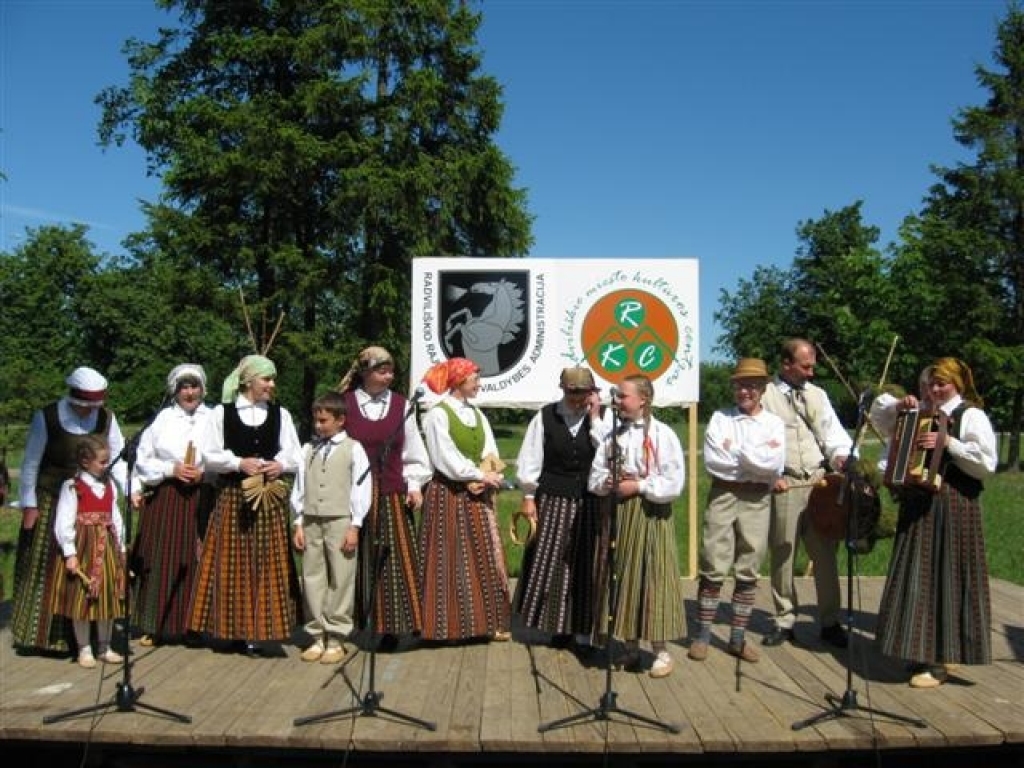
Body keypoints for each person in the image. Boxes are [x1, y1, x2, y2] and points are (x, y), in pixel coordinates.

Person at [873, 358, 997, 688]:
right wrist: (901, 404)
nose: (935, 389)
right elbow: (881, 420)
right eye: (931, 383)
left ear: (958, 383)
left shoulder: (970, 415)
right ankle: (921, 650)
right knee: (919, 577)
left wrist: (948, 443)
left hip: (954, 505)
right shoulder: (920, 413)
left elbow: (987, 463)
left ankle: (940, 661)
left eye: (942, 383)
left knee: (947, 577)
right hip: (919, 503)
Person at [189, 354, 303, 655]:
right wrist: (239, 462)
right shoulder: (221, 414)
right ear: (248, 381)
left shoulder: (281, 414)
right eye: (267, 379)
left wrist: (280, 464)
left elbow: (294, 454)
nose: (271, 384)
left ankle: (263, 628)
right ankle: (231, 629)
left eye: (271, 379)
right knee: (232, 564)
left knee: (267, 563)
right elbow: (208, 454)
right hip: (233, 496)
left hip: (268, 497)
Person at [12, 366, 127, 654]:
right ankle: (48, 639)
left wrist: (130, 489)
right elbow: (30, 463)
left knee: (91, 569)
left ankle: (90, 641)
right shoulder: (47, 417)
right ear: (73, 399)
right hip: (53, 498)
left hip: (93, 502)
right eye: (84, 406)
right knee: (47, 568)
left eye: (93, 406)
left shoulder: (106, 418)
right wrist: (29, 503)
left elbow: (119, 459)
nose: (89, 412)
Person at [588, 374, 686, 679]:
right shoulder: (610, 435)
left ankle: (660, 651)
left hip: (650, 514)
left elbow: (674, 482)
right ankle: (630, 646)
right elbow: (594, 476)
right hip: (616, 512)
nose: (616, 402)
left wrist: (639, 486)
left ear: (643, 399)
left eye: (622, 397)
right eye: (615, 396)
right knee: (620, 577)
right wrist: (605, 483)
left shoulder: (663, 434)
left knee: (651, 577)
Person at [336, 346, 432, 651]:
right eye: (382, 370)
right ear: (365, 372)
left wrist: (414, 485)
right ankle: (354, 622)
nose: (389, 375)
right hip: (352, 492)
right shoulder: (346, 404)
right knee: (355, 558)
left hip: (390, 493)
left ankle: (393, 627)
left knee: (392, 561)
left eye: (391, 370)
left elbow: (413, 452)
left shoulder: (402, 405)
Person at [690, 358, 785, 664]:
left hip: (758, 499)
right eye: (740, 385)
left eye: (751, 386)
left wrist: (738, 453)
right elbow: (715, 462)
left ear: (762, 389)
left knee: (750, 563)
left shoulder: (773, 423)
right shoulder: (720, 418)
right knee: (713, 560)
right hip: (723, 493)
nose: (745, 391)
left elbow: (773, 465)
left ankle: (737, 638)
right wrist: (754, 459)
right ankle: (703, 635)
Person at [760, 339, 851, 649]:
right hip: (784, 482)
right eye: (805, 366)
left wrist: (840, 456)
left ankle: (830, 621)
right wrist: (769, 476)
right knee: (783, 551)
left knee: (824, 552)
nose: (811, 373)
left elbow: (831, 430)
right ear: (786, 364)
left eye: (813, 366)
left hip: (817, 480)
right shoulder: (764, 394)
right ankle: (784, 619)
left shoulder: (817, 395)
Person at [418, 357, 511, 643]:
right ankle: (444, 627)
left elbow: (489, 449)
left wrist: (487, 474)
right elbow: (443, 456)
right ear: (459, 381)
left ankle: (487, 622)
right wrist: (473, 475)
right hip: (448, 494)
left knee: (483, 555)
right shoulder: (437, 414)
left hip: (477, 492)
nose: (478, 384)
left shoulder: (477, 414)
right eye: (474, 379)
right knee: (447, 559)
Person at [513, 366, 603, 650]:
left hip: (590, 499)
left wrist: (596, 419)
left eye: (582, 393)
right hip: (554, 498)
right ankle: (556, 626)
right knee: (553, 562)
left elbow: (609, 452)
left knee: (587, 563)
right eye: (572, 393)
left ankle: (584, 629)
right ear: (563, 390)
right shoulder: (546, 417)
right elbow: (530, 458)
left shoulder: (603, 419)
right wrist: (529, 496)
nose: (576, 399)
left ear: (592, 393)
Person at [130, 364, 216, 646]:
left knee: (198, 558)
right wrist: (170, 469)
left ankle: (194, 626)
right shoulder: (163, 419)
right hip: (168, 495)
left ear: (202, 389)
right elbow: (143, 459)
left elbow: (223, 455)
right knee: (161, 557)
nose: (189, 393)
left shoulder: (214, 417)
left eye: (194, 387)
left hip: (203, 494)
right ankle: (154, 624)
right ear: (175, 390)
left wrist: (206, 472)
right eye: (184, 387)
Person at [291, 392, 371, 664]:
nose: (318, 425)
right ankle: (315, 634)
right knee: (312, 577)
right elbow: (300, 486)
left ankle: (336, 636)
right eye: (316, 420)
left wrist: (355, 525)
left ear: (340, 420)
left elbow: (361, 488)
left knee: (341, 577)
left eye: (324, 420)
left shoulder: (353, 448)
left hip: (340, 520)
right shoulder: (308, 449)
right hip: (313, 519)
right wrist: (299, 522)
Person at [50, 435, 127, 669]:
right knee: (82, 598)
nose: (106, 466)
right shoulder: (73, 487)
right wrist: (70, 552)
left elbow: (116, 517)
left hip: (108, 549)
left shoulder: (110, 486)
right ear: (85, 461)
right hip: (84, 547)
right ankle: (84, 647)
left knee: (108, 597)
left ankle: (105, 645)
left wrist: (121, 545)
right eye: (102, 462)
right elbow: (63, 521)